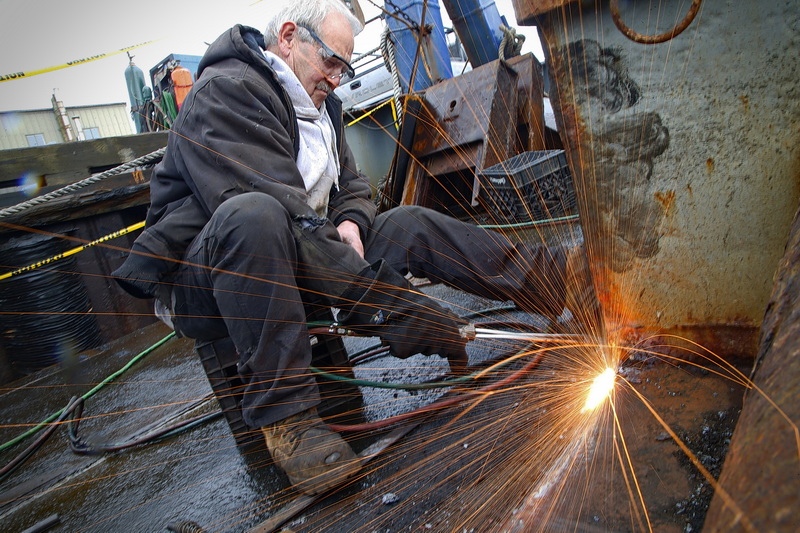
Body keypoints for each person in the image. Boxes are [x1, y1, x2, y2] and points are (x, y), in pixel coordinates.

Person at [113, 0, 596, 496]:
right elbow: (286, 219)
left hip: (304, 250)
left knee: (406, 224)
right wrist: (398, 308)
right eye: (331, 63)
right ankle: (291, 426)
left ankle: (557, 278)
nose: (338, 79)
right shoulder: (227, 93)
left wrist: (348, 222)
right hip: (211, 280)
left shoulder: (322, 109)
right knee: (252, 215)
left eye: (344, 67)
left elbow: (353, 187)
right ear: (287, 38)